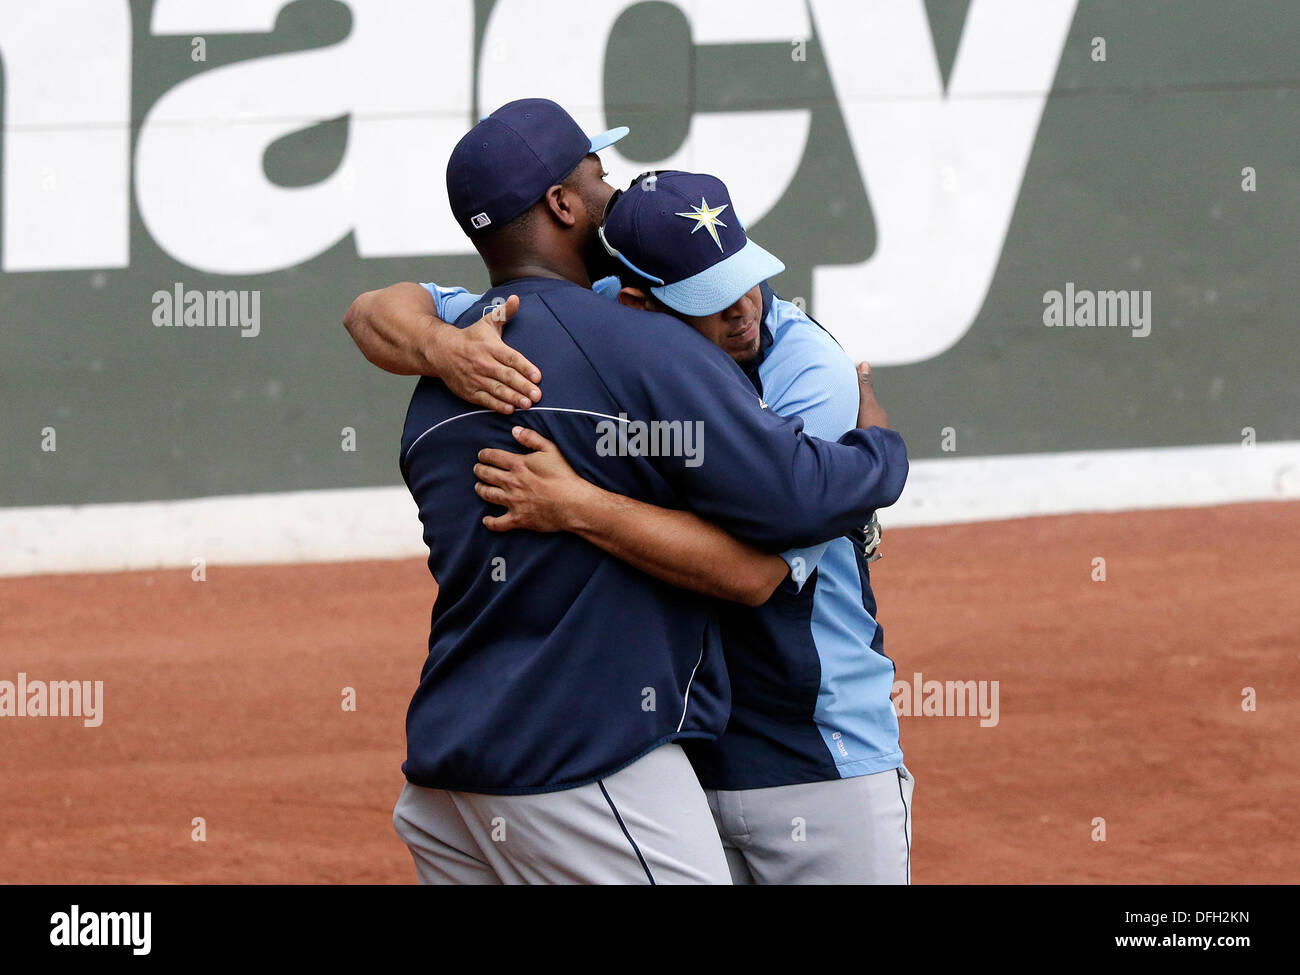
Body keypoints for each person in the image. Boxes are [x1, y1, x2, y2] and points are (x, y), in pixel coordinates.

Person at [371, 99, 908, 884]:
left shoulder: (450, 364)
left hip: (453, 763)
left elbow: (373, 310)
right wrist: (882, 450)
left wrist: (433, 346)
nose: (610, 193)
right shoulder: (640, 346)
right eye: (599, 176)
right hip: (587, 760)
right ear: (562, 204)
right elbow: (778, 528)